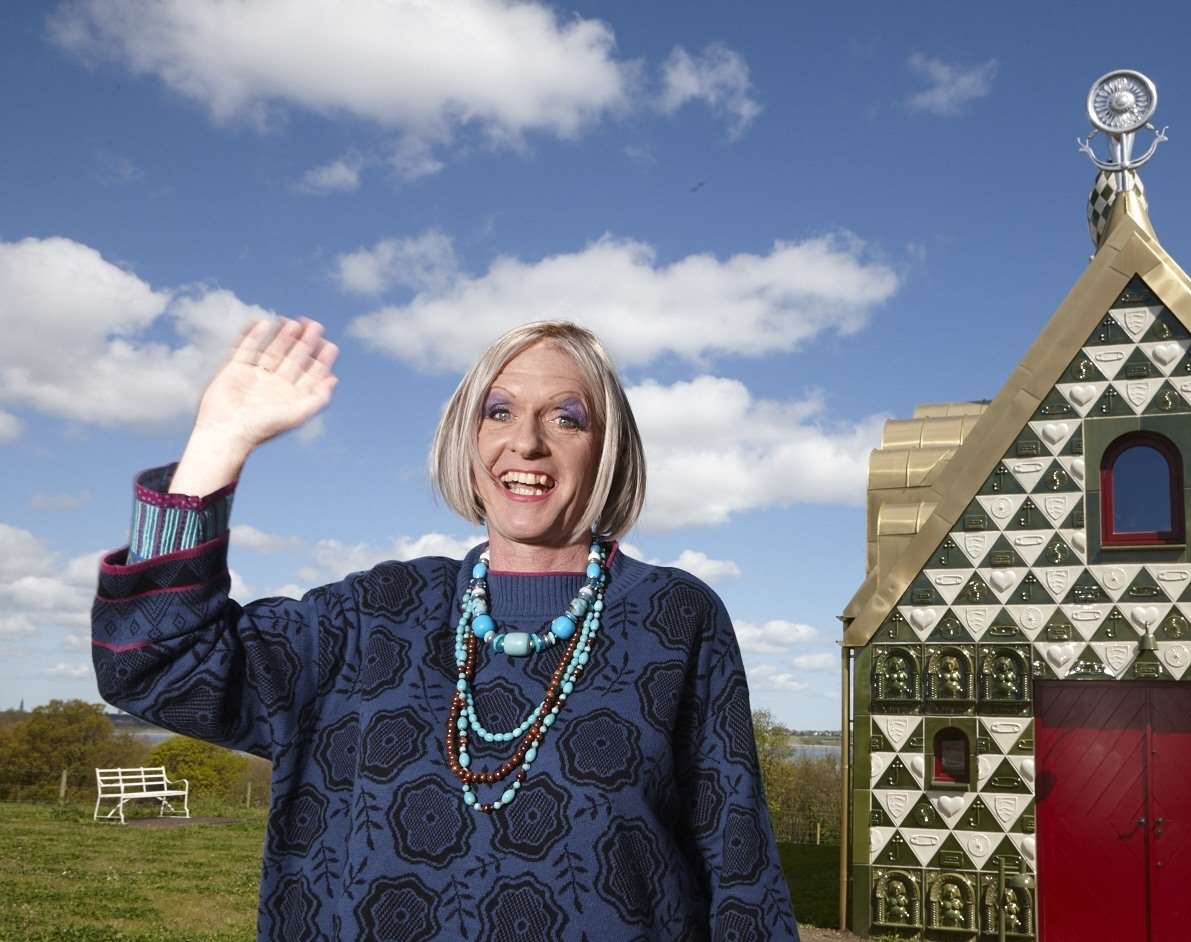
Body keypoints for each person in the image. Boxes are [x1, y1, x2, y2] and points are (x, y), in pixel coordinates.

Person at [92, 317, 799, 940]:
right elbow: (156, 663)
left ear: (607, 446)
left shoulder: (673, 615)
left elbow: (736, 859)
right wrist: (218, 442)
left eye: (566, 418)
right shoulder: (372, 613)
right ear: (466, 438)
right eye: (498, 412)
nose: (525, 441)